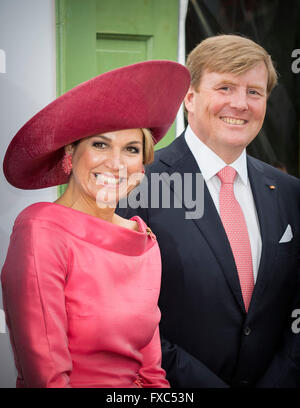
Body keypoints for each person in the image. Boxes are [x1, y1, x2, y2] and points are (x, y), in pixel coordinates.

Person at [117, 35, 300, 387]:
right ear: (190, 98)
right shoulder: (139, 185)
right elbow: (125, 319)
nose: (240, 104)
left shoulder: (290, 193)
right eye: (225, 87)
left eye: (254, 92)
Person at [1, 60, 190, 388]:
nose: (116, 163)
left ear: (142, 166)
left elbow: (152, 373)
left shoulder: (144, 240)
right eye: (100, 144)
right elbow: (46, 380)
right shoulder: (40, 230)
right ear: (70, 152)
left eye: (131, 149)